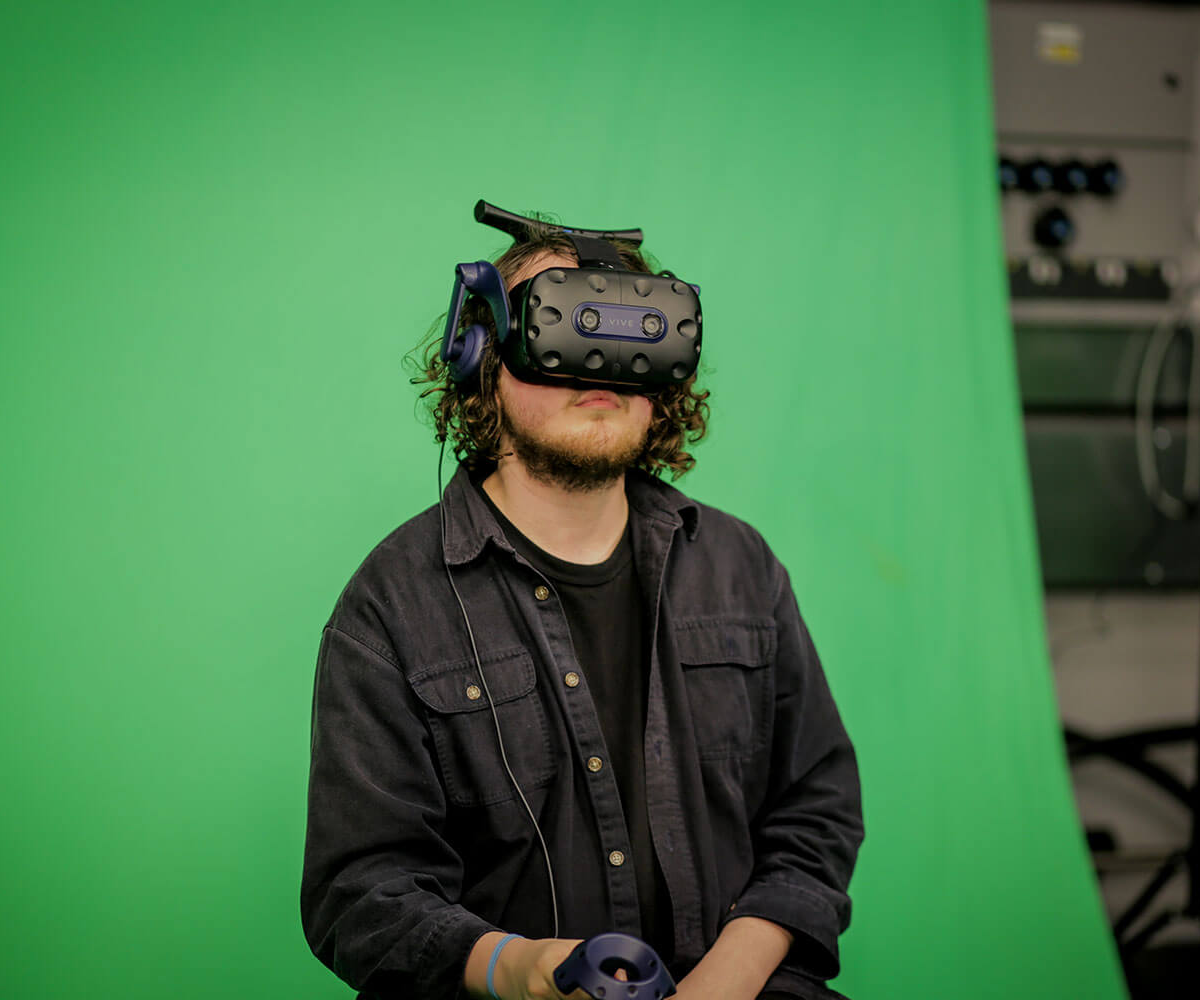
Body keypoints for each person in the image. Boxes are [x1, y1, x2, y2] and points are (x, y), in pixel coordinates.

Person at [301, 219, 864, 1000]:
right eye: (563, 324)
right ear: (481, 356)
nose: (603, 362)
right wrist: (525, 970)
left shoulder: (740, 569)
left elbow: (816, 807)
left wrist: (728, 979)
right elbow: (359, 892)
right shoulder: (391, 606)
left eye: (642, 332)